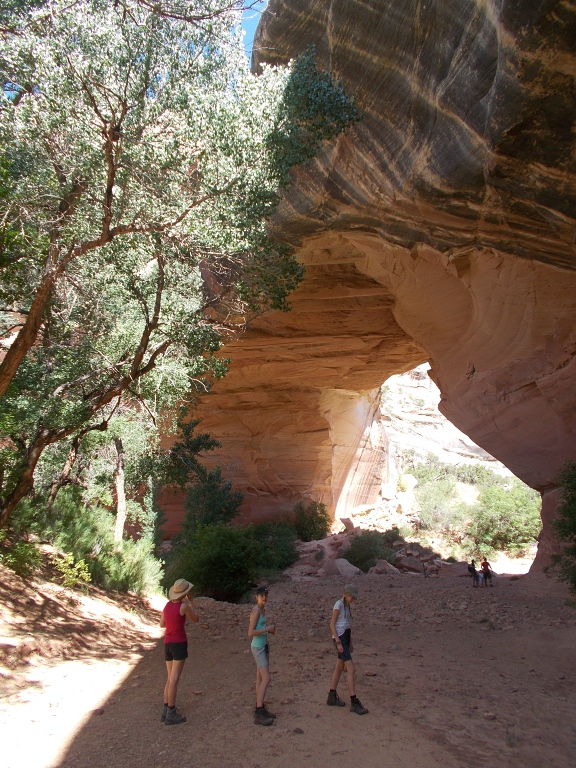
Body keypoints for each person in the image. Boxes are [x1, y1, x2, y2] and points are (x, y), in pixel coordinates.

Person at [160, 578, 199, 725]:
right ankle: (171, 711)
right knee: (175, 679)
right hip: (179, 643)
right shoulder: (184, 606)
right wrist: (192, 603)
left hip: (167, 643)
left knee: (170, 678)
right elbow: (195, 619)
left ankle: (165, 710)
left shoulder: (167, 606)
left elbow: (162, 624)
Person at [327, 584, 369, 715]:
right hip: (340, 638)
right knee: (351, 669)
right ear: (347, 594)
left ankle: (332, 695)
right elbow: (332, 624)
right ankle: (354, 701)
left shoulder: (346, 606)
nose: (353, 599)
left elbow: (346, 625)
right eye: (352, 596)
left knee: (339, 667)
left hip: (345, 637)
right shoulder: (338, 605)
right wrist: (338, 642)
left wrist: (350, 642)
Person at [248, 585, 276, 726]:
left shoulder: (262, 610)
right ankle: (259, 711)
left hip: (263, 645)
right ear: (257, 597)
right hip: (258, 647)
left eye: (266, 595)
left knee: (260, 678)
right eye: (261, 596)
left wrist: (267, 631)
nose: (264, 598)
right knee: (266, 677)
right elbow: (250, 632)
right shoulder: (256, 611)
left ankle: (260, 706)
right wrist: (267, 629)